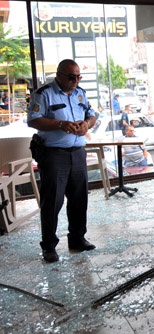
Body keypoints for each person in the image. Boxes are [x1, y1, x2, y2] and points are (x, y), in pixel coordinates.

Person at [26, 59, 97, 263]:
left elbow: (91, 114)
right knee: (53, 202)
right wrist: (59, 124)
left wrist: (87, 124)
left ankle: (77, 239)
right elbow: (33, 119)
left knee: (78, 199)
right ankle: (48, 246)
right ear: (59, 75)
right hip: (53, 154)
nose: (75, 81)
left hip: (77, 151)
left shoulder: (80, 93)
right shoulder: (44, 93)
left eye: (78, 77)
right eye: (71, 77)